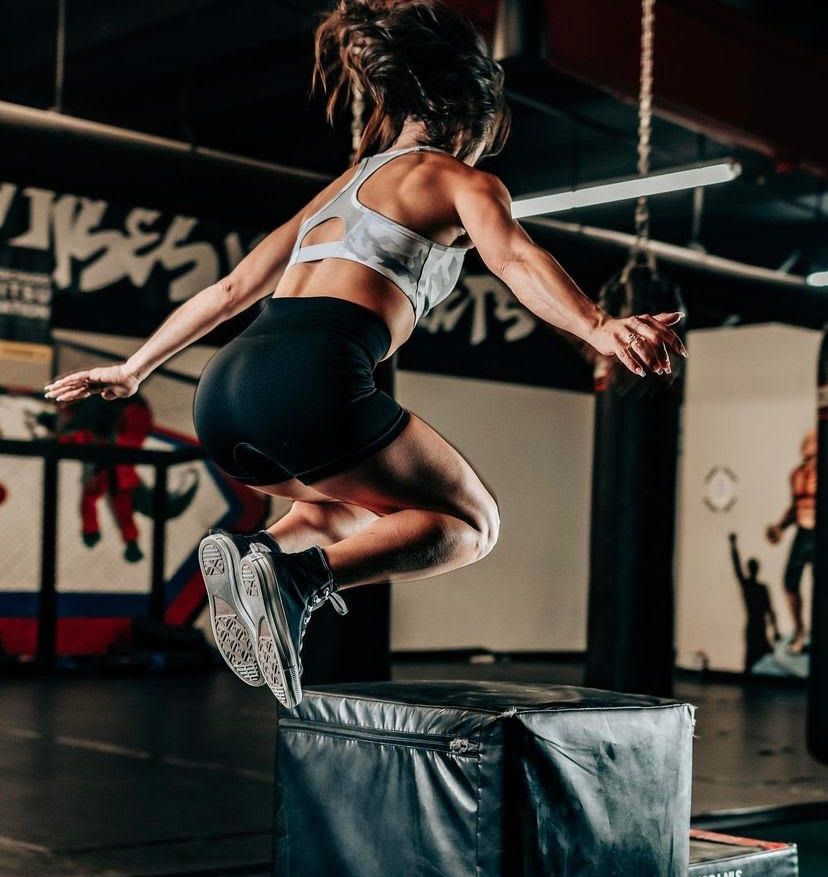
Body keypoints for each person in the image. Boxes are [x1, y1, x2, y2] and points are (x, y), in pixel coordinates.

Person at [43, 0, 686, 708]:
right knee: (473, 524)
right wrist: (598, 325)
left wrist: (134, 369)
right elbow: (513, 259)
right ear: (466, 116)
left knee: (344, 512)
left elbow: (230, 290)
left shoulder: (339, 191)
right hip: (310, 377)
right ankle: (297, 582)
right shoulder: (459, 181)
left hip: (225, 394)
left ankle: (266, 554)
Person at [766, 429, 818, 655]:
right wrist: (780, 527)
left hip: (820, 534)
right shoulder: (796, 475)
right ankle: (800, 630)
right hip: (804, 533)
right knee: (790, 583)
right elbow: (795, 509)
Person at [728, 532, 779, 674]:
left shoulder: (759, 588)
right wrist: (733, 546)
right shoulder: (750, 586)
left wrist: (775, 630)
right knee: (753, 657)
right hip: (755, 625)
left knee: (762, 656)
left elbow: (770, 610)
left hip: (758, 625)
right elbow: (737, 566)